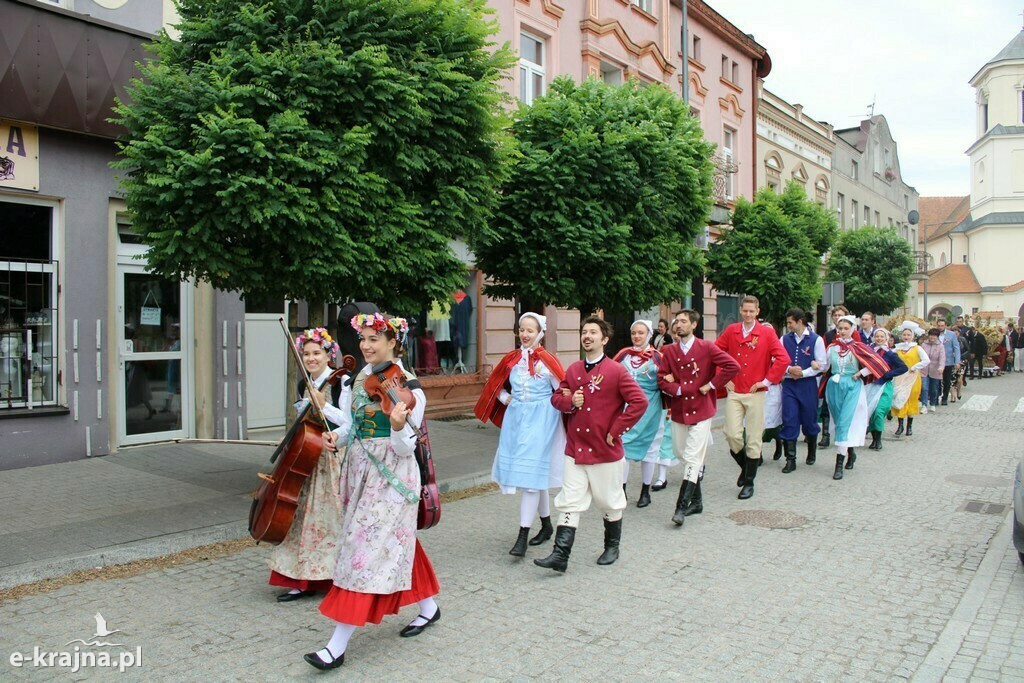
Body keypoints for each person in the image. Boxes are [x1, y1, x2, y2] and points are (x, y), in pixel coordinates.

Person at [305, 313, 439, 670]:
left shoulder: (411, 387)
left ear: (394, 342)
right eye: (362, 338)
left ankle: (336, 645)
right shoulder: (361, 376)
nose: (365, 345)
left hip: (392, 476)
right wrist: (339, 435)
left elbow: (404, 447)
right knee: (395, 540)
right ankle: (429, 607)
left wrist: (397, 426)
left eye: (373, 339)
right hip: (360, 470)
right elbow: (354, 424)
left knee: (360, 550)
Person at [535, 317, 647, 572]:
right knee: (570, 501)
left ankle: (612, 546)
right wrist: (569, 401)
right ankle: (560, 556)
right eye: (584, 332)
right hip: (575, 449)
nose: (587, 336)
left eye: (593, 333)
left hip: (604, 451)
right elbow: (556, 398)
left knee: (609, 501)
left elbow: (639, 402)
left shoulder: (617, 371)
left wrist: (617, 430)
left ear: (604, 340)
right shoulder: (574, 369)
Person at [474, 313, 566, 557]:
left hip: (542, 421)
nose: (525, 335)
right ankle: (546, 526)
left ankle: (522, 535)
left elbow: (562, 391)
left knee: (530, 477)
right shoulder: (512, 359)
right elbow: (497, 387)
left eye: (530, 331)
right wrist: (506, 398)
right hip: (517, 421)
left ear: (540, 334)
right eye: (522, 330)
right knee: (535, 476)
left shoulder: (547, 361)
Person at [269, 328, 346, 603]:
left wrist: (324, 406)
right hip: (307, 455)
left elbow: (349, 422)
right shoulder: (305, 383)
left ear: (329, 354)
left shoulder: (341, 382)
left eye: (317, 353)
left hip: (332, 456)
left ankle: (337, 577)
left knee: (331, 518)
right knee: (303, 519)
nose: (311, 358)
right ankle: (302, 579)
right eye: (307, 354)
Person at [658, 309, 739, 526]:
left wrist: (712, 384)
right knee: (681, 453)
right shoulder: (669, 351)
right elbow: (661, 379)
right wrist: (675, 388)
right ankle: (698, 501)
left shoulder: (707, 347)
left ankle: (681, 508)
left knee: (693, 458)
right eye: (677, 321)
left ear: (694, 325)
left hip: (702, 409)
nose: (679, 324)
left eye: (684, 321)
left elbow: (733, 366)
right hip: (679, 410)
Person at [714, 296, 789, 500]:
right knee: (732, 434)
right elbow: (716, 352)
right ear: (740, 310)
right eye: (744, 310)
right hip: (735, 390)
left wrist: (767, 381)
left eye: (751, 311)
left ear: (757, 311)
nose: (748, 314)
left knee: (754, 437)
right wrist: (723, 376)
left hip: (755, 392)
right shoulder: (732, 330)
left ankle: (749, 482)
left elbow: (783, 358)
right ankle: (747, 468)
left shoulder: (766, 333)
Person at [822, 315, 889, 480]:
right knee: (839, 423)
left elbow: (878, 363)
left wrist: (861, 372)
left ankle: (838, 465)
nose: (843, 332)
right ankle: (850, 451)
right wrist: (816, 366)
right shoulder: (832, 348)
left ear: (852, 330)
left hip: (853, 386)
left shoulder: (859, 347)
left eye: (846, 328)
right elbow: (825, 366)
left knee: (845, 422)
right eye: (840, 329)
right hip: (834, 386)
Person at [615, 320, 673, 509]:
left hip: (650, 409)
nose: (637, 336)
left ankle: (645, 491)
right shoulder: (623, 355)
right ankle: (621, 490)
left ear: (648, 335)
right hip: (626, 408)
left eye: (641, 333)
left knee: (650, 449)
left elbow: (667, 380)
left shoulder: (657, 357)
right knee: (622, 448)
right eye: (634, 333)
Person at [778, 308, 826, 473]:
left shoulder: (816, 339)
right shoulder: (784, 339)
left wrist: (804, 372)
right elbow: (777, 359)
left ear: (799, 322)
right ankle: (790, 459)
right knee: (789, 418)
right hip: (790, 385)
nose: (788, 325)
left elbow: (822, 364)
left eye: (790, 322)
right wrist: (790, 369)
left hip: (807, 384)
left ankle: (811, 450)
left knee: (809, 419)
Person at [865, 328, 907, 450]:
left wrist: (888, 374)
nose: (879, 339)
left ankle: (878, 439)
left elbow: (903, 367)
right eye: (877, 336)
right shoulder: (869, 351)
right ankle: (873, 438)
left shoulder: (890, 353)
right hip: (870, 385)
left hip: (884, 386)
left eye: (881, 337)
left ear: (886, 339)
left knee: (879, 411)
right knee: (871, 411)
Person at [891, 321, 929, 438]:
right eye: (904, 335)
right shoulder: (897, 349)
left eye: (908, 335)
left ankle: (909, 426)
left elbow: (926, 360)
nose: (906, 337)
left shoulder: (917, 348)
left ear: (913, 336)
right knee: (900, 398)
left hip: (912, 377)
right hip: (900, 377)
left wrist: (914, 367)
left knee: (911, 399)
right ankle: (900, 425)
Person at [919, 329, 945, 413]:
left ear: (937, 337)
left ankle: (933, 403)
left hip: (935, 370)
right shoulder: (924, 344)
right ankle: (924, 405)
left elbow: (942, 358)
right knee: (924, 388)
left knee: (934, 389)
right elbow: (919, 356)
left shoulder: (940, 346)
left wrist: (941, 367)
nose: (932, 337)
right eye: (931, 335)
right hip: (924, 370)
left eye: (934, 336)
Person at [936, 319, 961, 404]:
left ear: (945, 326)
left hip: (948, 361)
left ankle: (945, 398)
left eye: (942, 326)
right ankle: (936, 396)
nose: (940, 327)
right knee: (937, 380)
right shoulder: (934, 334)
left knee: (947, 380)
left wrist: (957, 361)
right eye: (939, 325)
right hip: (937, 361)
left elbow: (956, 348)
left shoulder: (951, 334)